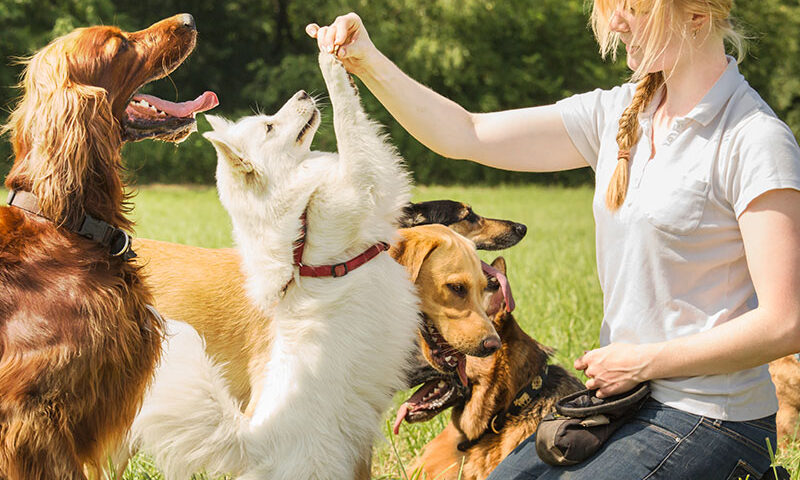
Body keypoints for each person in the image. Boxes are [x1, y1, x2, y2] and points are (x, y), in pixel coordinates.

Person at [306, 0, 800, 478]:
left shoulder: (754, 140)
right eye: (613, 9)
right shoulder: (618, 114)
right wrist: (367, 60)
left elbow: (786, 321)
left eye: (635, 9)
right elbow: (466, 132)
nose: (619, 24)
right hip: (623, 401)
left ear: (696, 15)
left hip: (713, 418)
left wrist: (647, 360)